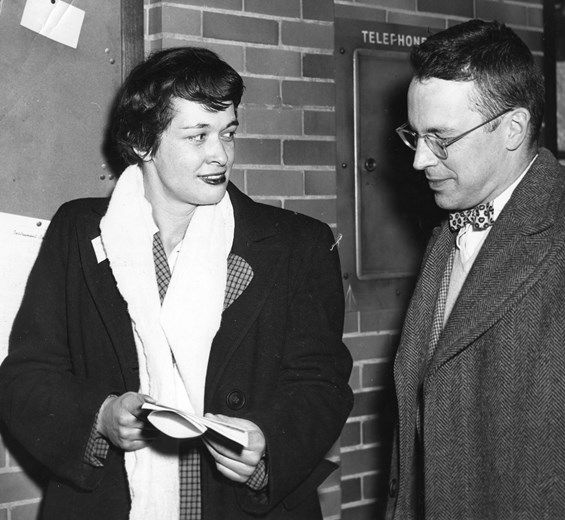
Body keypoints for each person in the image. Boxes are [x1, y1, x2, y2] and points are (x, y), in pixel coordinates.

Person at [0, 47, 353, 520]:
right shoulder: (79, 231)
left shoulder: (297, 243)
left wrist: (268, 443)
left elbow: (322, 382)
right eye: (197, 135)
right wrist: (98, 416)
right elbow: (25, 376)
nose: (220, 154)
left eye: (228, 133)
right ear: (144, 143)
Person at [387, 19, 565, 520]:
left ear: (512, 128)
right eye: (415, 136)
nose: (421, 160)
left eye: (441, 138)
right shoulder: (446, 233)